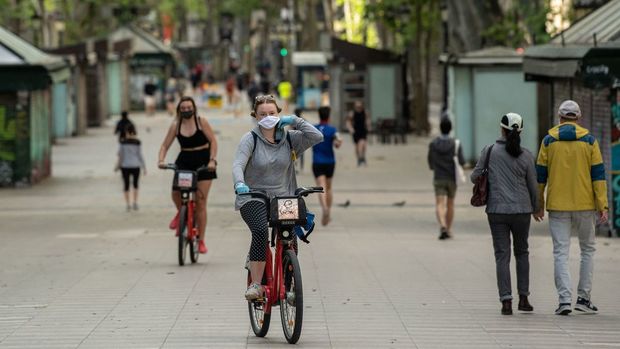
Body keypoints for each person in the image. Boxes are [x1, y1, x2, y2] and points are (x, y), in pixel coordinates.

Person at [232, 94, 323, 300]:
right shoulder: (250, 139)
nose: (267, 117)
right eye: (262, 114)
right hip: (253, 196)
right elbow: (238, 164)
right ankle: (256, 285)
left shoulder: (290, 139)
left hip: (283, 197)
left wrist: (295, 121)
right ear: (255, 116)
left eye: (272, 113)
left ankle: (289, 282)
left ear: (279, 114)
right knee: (260, 230)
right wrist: (240, 183)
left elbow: (317, 136)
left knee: (289, 236)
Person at [534, 100, 608, 316]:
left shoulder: (548, 141)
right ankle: (583, 298)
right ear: (579, 117)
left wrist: (538, 204)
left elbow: (540, 177)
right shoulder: (590, 141)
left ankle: (564, 300)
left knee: (560, 252)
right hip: (585, 205)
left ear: (559, 118)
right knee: (587, 250)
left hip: (557, 205)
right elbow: (598, 176)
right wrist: (602, 204)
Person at [471, 113, 538, 315]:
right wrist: (536, 208)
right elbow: (533, 185)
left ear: (502, 129)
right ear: (520, 131)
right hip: (522, 211)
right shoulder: (526, 155)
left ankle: (506, 301)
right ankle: (524, 298)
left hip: (497, 210)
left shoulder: (489, 151)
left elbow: (475, 176)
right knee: (522, 252)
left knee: (502, 255)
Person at [158, 96, 218, 254]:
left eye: (188, 107)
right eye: (183, 108)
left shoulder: (201, 122)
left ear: (194, 108)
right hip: (184, 161)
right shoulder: (175, 126)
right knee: (176, 193)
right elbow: (165, 145)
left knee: (200, 201)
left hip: (204, 162)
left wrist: (212, 160)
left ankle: (201, 240)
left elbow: (213, 141)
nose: (186, 110)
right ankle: (181, 213)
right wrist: (161, 160)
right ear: (179, 110)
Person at [427, 118, 465, 240]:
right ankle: (448, 229)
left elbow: (430, 161)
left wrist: (434, 167)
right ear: (450, 128)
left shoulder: (433, 144)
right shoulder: (455, 144)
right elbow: (462, 161)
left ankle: (442, 225)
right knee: (450, 204)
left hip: (439, 177)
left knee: (439, 204)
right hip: (452, 178)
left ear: (440, 128)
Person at [312, 106, 342, 226]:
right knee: (329, 188)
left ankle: (324, 207)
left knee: (321, 186)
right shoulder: (332, 130)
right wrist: (338, 141)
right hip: (330, 162)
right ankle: (328, 211)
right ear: (328, 116)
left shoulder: (314, 128)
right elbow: (337, 144)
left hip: (317, 162)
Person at [115, 124, 146, 211]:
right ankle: (135, 203)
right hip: (136, 166)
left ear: (126, 132)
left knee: (126, 185)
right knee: (135, 184)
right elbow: (140, 155)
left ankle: (128, 204)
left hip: (125, 166)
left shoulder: (122, 142)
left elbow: (120, 155)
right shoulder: (138, 142)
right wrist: (144, 167)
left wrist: (117, 166)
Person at [346, 101, 371, 166]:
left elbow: (367, 120)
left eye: (360, 107)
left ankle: (362, 156)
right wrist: (350, 129)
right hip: (356, 131)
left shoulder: (365, 112)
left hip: (363, 130)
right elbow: (348, 122)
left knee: (363, 144)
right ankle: (359, 158)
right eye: (357, 107)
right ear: (355, 107)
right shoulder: (352, 113)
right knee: (357, 146)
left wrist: (368, 126)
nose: (359, 108)